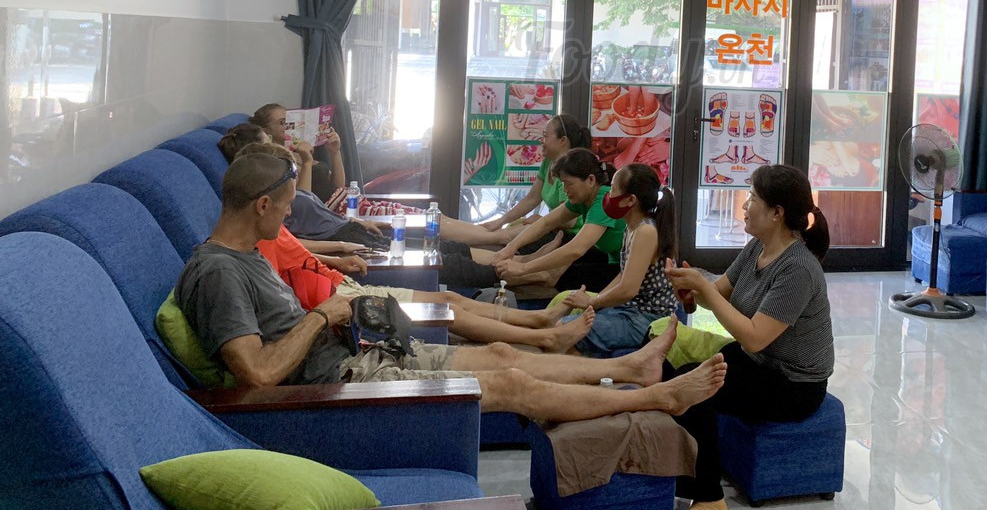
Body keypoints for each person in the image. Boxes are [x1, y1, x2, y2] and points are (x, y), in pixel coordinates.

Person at [175, 152, 727, 425]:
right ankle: (656, 397)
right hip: (344, 381)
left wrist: (342, 311)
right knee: (512, 385)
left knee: (503, 354)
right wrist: (324, 316)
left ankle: (632, 367)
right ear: (261, 205)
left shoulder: (248, 253)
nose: (290, 219)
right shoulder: (219, 272)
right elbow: (258, 374)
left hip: (361, 349)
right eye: (286, 207)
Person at [236, 141, 597, 353]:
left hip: (344, 277)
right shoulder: (253, 245)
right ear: (263, 202)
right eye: (286, 204)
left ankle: (538, 317)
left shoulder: (268, 229)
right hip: (341, 298)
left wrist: (336, 256)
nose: (289, 210)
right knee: (448, 305)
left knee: (449, 291)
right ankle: (542, 329)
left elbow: (296, 251)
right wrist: (340, 252)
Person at [663, 165, 834, 510]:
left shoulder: (799, 268)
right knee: (675, 371)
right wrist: (691, 292)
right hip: (759, 362)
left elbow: (755, 337)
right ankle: (683, 474)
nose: (744, 205)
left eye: (752, 198)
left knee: (696, 391)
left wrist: (705, 292)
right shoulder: (757, 246)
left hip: (793, 384)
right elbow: (719, 291)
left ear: (776, 212)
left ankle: (710, 502)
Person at [559, 163, 678, 356]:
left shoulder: (646, 231)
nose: (608, 195)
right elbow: (624, 275)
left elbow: (628, 289)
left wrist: (593, 302)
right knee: (566, 324)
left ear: (630, 200)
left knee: (565, 331)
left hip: (647, 319)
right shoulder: (631, 226)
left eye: (613, 190)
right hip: (632, 310)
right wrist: (594, 302)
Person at [220, 123, 387, 249]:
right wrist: (341, 246)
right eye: (267, 142)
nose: (273, 144)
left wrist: (355, 222)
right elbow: (289, 241)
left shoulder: (284, 179)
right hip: (340, 233)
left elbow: (304, 201)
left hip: (345, 224)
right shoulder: (271, 199)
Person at [436, 113, 591, 248]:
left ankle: (441, 228)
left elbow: (569, 221)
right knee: (492, 231)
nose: (541, 140)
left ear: (563, 140)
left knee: (498, 237)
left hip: (565, 236)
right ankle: (441, 221)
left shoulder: (571, 171)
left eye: (545, 136)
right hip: (550, 228)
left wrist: (542, 220)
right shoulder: (548, 162)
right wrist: (501, 220)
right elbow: (531, 199)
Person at [490, 148, 626, 292]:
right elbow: (546, 222)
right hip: (611, 258)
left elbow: (576, 249)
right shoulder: (583, 198)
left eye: (568, 183)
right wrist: (511, 247)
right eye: (562, 184)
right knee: (560, 254)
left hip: (623, 269)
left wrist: (523, 268)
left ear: (591, 180)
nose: (565, 189)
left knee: (569, 273)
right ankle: (543, 275)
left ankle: (544, 276)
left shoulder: (603, 201)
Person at [252, 103, 345, 200]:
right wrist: (306, 163)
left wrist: (335, 153)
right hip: (312, 208)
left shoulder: (299, 151)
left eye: (290, 119)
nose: (290, 125)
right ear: (266, 131)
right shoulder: (275, 162)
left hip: (332, 205)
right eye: (283, 122)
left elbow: (338, 189)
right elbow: (300, 202)